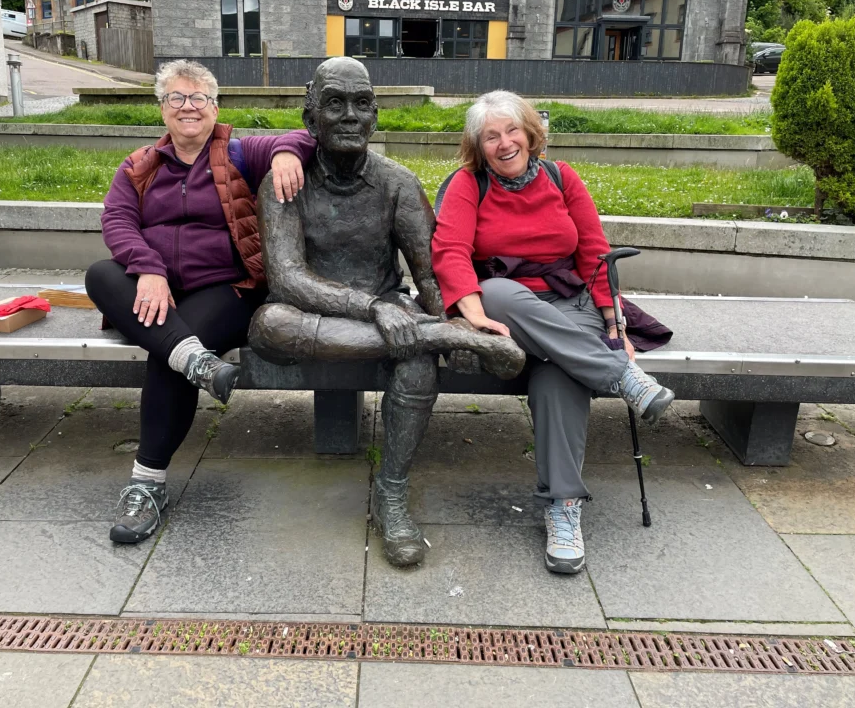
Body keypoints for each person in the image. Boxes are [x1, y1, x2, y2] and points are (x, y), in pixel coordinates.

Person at [248, 58, 527, 567]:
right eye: (335, 104)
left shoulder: (396, 183)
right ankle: (440, 338)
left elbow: (429, 272)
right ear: (311, 120)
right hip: (316, 317)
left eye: (362, 104)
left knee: (415, 359)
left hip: (391, 313)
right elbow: (287, 278)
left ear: (376, 117)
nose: (351, 116)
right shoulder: (286, 183)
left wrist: (450, 313)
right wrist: (391, 313)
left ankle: (391, 493)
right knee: (269, 324)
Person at [431, 90, 674, 575]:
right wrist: (474, 313)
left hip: (571, 306)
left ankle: (563, 508)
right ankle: (621, 376)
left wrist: (613, 324)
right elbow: (451, 250)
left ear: (530, 132)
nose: (504, 143)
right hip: (506, 309)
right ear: (478, 147)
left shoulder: (563, 178)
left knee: (559, 377)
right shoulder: (466, 184)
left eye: (512, 130)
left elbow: (595, 256)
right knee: (499, 290)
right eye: (491, 136)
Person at [85, 59, 317, 544]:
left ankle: (146, 486)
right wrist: (148, 268)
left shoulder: (239, 152)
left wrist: (285, 156)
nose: (188, 107)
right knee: (100, 274)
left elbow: (302, 138)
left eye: (199, 98)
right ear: (162, 107)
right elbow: (118, 224)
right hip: (155, 291)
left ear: (215, 107)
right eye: (176, 97)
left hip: (224, 291)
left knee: (165, 354)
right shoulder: (138, 166)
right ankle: (199, 363)